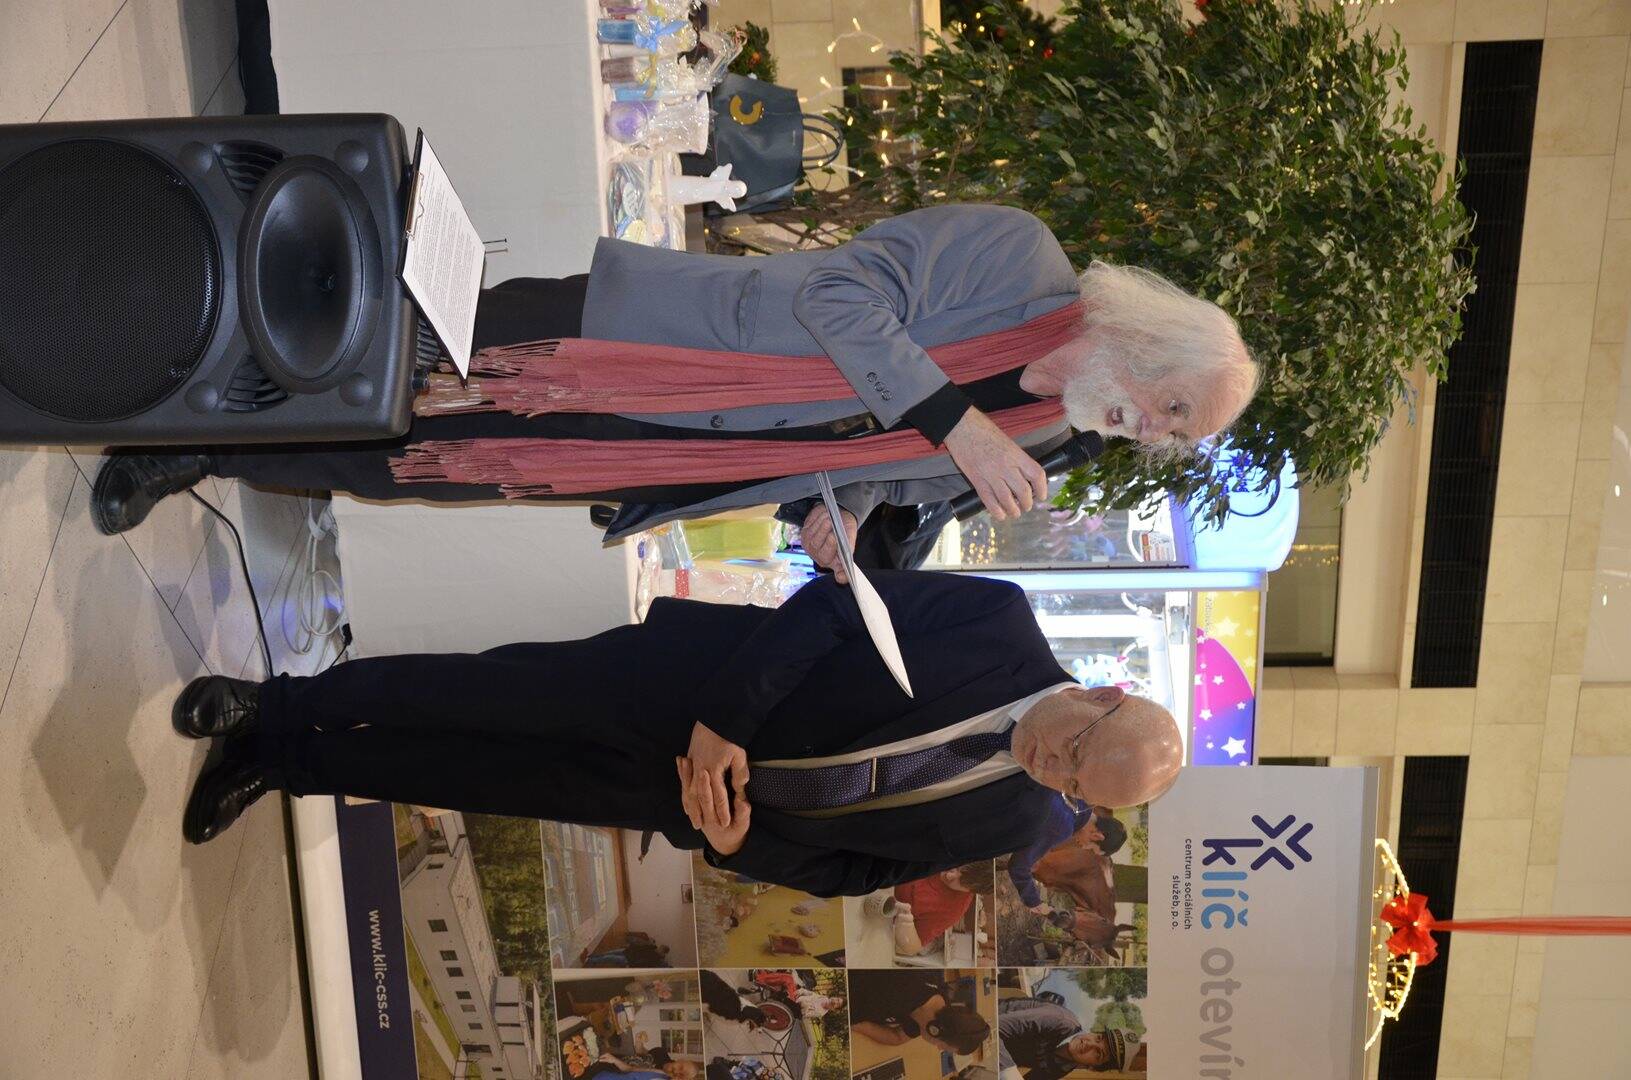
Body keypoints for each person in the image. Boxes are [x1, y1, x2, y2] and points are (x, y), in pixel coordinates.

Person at [92, 204, 1260, 579]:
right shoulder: (1014, 257)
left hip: (669, 452)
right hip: (632, 340)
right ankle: (172, 366)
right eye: (1174, 410)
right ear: (1149, 343)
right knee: (392, 366)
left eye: (1174, 435)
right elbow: (840, 295)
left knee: (418, 466)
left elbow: (881, 465)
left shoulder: (1043, 433)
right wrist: (952, 421)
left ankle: (201, 452)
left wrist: (844, 513)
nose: (1154, 435)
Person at [173, 570, 1185, 897]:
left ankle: (289, 765)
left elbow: (855, 874)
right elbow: (833, 607)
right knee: (475, 694)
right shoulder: (997, 622)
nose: (1052, 772)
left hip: (687, 804)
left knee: (476, 775)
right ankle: (276, 704)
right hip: (680, 690)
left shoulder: (1012, 816)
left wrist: (739, 844)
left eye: (1074, 789)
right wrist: (722, 726)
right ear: (1103, 692)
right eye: (1073, 753)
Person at [1007, 803, 1127, 914]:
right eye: (1091, 848)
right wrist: (1033, 901)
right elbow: (1019, 866)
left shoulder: (1080, 801)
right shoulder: (1063, 828)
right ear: (1097, 836)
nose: (1083, 847)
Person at [997, 998, 1140, 1078]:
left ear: (1093, 1067)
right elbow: (995, 1027)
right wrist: (1010, 1074)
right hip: (988, 1016)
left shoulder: (1062, 1067)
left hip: (991, 1057)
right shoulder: (1060, 1020)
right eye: (1098, 1038)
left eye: (1098, 1053)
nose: (1089, 1044)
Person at [850, 973, 990, 1054]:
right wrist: (855, 1023)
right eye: (943, 1046)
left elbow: (897, 1037)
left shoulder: (934, 1010)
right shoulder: (896, 995)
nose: (938, 1048)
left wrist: (860, 1025)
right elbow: (848, 1014)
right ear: (935, 1030)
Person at [890, 861, 996, 957]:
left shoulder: (954, 909)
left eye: (961, 882)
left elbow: (912, 948)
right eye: (957, 866)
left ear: (970, 891)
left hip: (888, 906)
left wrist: (907, 925)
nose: (949, 875)